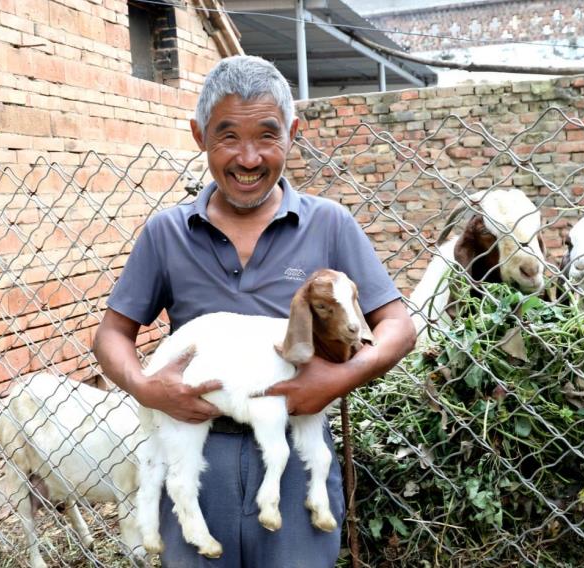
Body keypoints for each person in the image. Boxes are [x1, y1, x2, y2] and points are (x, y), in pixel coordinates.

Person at [93, 55, 416, 568]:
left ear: (292, 132)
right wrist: (145, 386)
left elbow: (397, 325)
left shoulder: (329, 224)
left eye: (266, 136)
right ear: (199, 135)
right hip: (199, 454)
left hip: (295, 449)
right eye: (227, 137)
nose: (248, 158)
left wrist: (338, 380)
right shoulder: (167, 233)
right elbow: (111, 335)